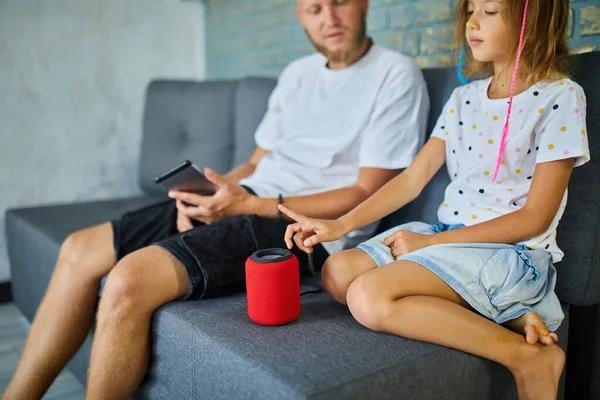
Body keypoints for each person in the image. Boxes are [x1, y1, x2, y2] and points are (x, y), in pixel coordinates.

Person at [2, 1, 429, 399]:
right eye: (314, 8)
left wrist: (250, 205)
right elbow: (258, 162)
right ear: (300, 14)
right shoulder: (297, 74)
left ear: (365, 3)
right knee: (79, 248)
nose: (329, 18)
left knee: (128, 280)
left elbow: (365, 193)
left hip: (304, 229)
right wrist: (213, 193)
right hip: (249, 201)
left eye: (340, 2)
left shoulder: (395, 75)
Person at [278, 0, 590, 398]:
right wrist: (340, 225)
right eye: (470, 11)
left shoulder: (560, 97)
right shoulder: (464, 99)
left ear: (534, 17)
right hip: (448, 236)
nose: (472, 23)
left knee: (367, 295)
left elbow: (535, 219)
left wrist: (429, 244)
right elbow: (411, 180)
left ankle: (527, 357)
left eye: (490, 12)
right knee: (336, 271)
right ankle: (510, 314)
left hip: (511, 252)